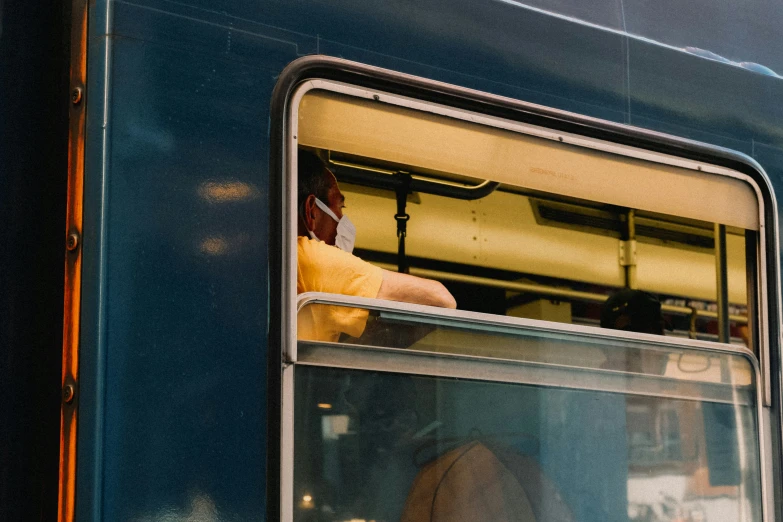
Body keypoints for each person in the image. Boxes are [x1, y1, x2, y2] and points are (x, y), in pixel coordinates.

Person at [296, 149, 456, 341]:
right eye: (340, 207)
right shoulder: (310, 259)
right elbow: (441, 300)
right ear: (311, 211)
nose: (343, 219)